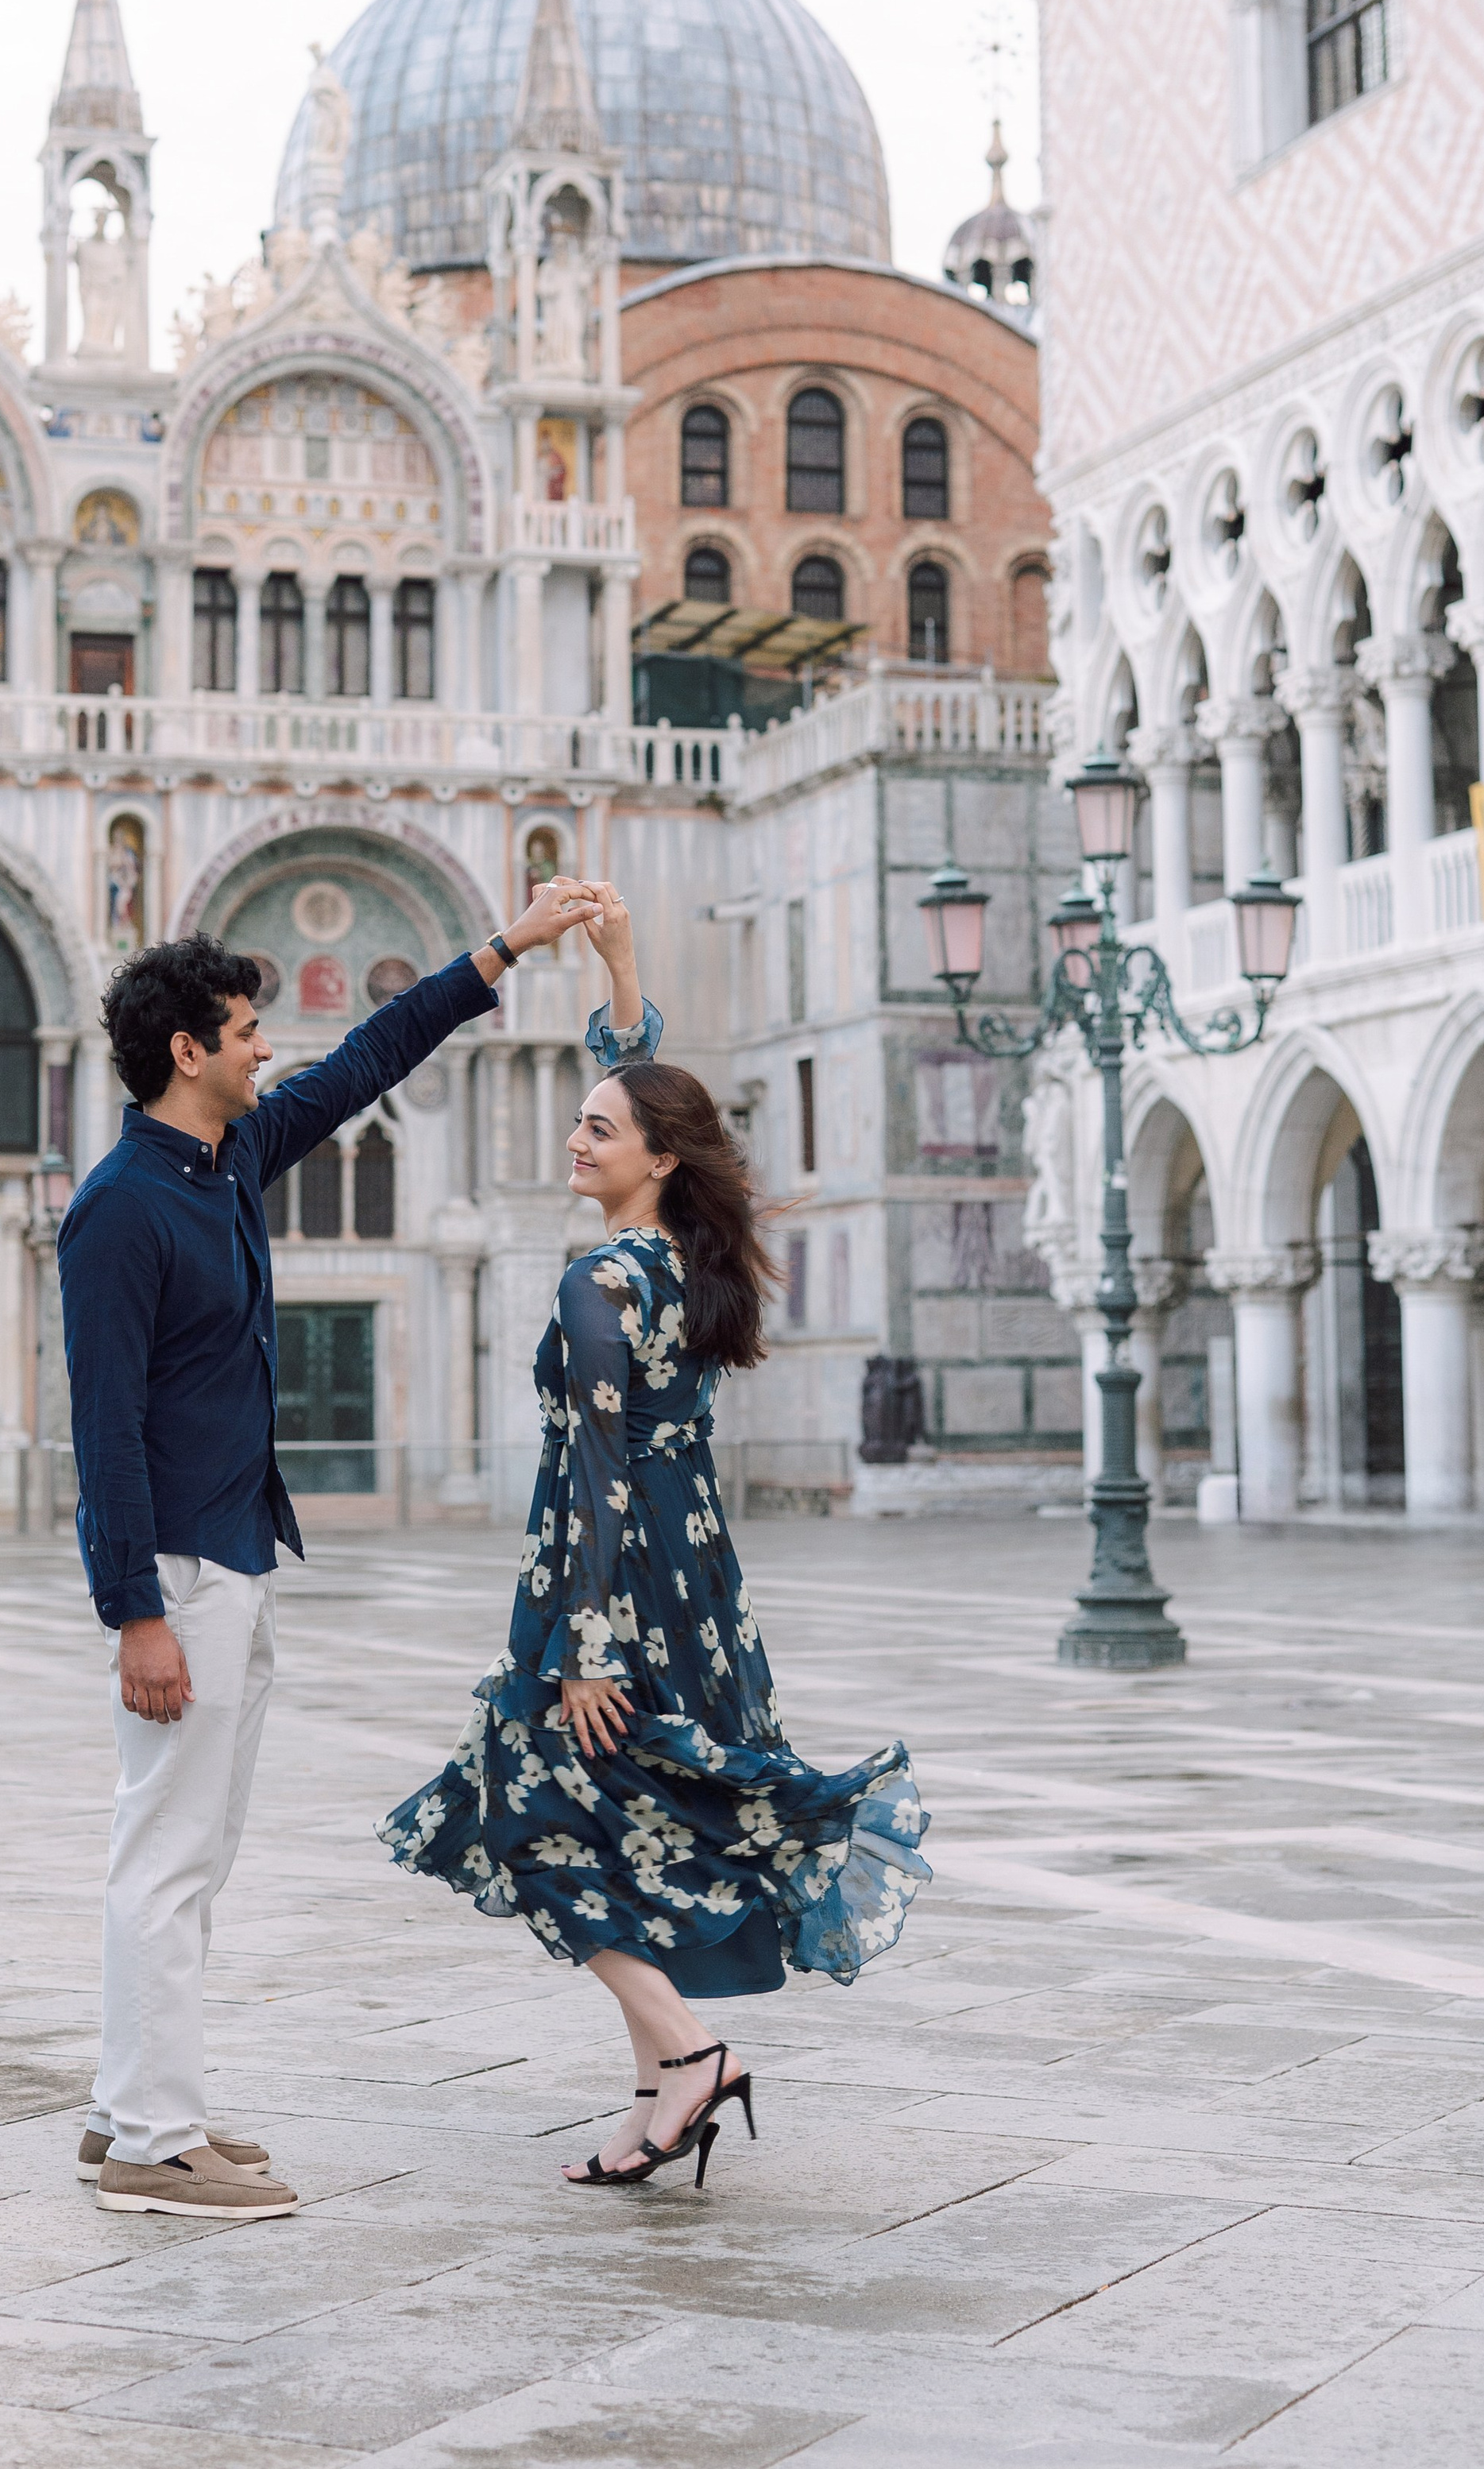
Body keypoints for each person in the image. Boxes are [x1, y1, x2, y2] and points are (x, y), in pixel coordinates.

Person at [60, 877, 605, 2220]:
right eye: (244, 1029)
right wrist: (134, 1610)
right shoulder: (122, 1207)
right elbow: (103, 1423)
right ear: (186, 1052)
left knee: (198, 1848)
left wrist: (505, 951)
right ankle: (150, 2143)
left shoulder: (228, 1158)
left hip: (235, 1550)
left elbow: (369, 1060)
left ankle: (133, 2107)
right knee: (169, 1853)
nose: (264, 1047)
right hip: (180, 1571)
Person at [380, 891, 931, 2190]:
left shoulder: (597, 1280)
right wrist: (619, 963)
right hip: (697, 1579)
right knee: (626, 1823)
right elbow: (644, 1091)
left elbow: (603, 1464)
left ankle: (691, 2057)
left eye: (596, 1128)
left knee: (528, 1816)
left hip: (604, 1579)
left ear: (657, 1158)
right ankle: (652, 2091)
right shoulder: (683, 1257)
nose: (576, 1137)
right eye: (580, 1119)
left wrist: (582, 1648)